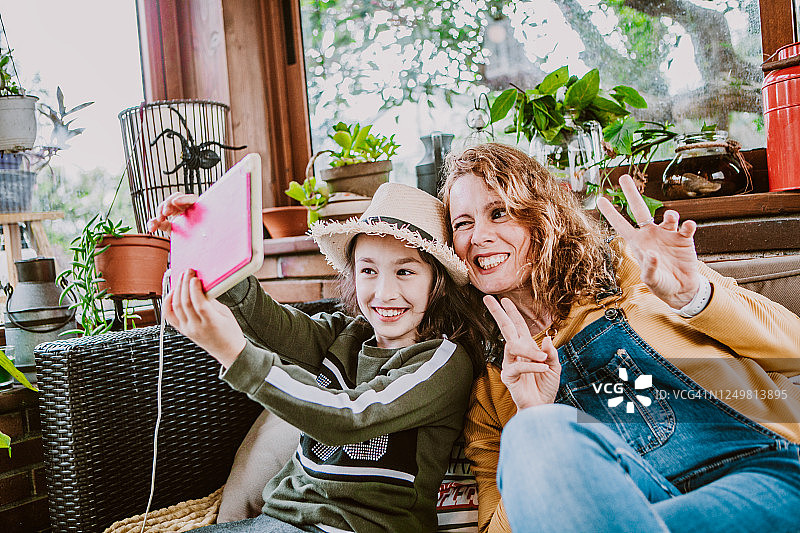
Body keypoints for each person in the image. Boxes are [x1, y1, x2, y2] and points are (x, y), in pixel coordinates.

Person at [440, 142, 800, 533]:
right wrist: (530, 411)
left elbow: (793, 349)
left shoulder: (633, 271)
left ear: (540, 216)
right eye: (463, 224)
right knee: (534, 430)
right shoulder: (495, 385)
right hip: (627, 517)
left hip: (760, 472)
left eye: (499, 213)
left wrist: (694, 296)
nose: (479, 236)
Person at [147, 182, 490, 533]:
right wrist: (210, 237)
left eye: (404, 271)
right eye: (368, 271)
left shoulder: (443, 362)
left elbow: (347, 418)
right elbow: (267, 323)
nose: (385, 292)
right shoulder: (344, 335)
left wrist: (235, 355)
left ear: (437, 282)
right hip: (278, 520)